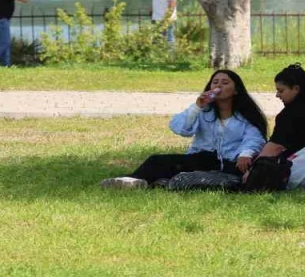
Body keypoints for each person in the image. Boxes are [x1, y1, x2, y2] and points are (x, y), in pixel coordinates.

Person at [101, 70, 268, 189]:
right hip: (203, 158)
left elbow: (254, 137)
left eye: (225, 83)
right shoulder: (204, 111)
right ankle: (131, 181)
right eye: (215, 82)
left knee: (177, 173)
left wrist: (246, 153)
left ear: (236, 90)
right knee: (159, 161)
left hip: (231, 161)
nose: (219, 86)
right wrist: (197, 107)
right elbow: (181, 128)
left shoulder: (246, 115)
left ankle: (143, 182)